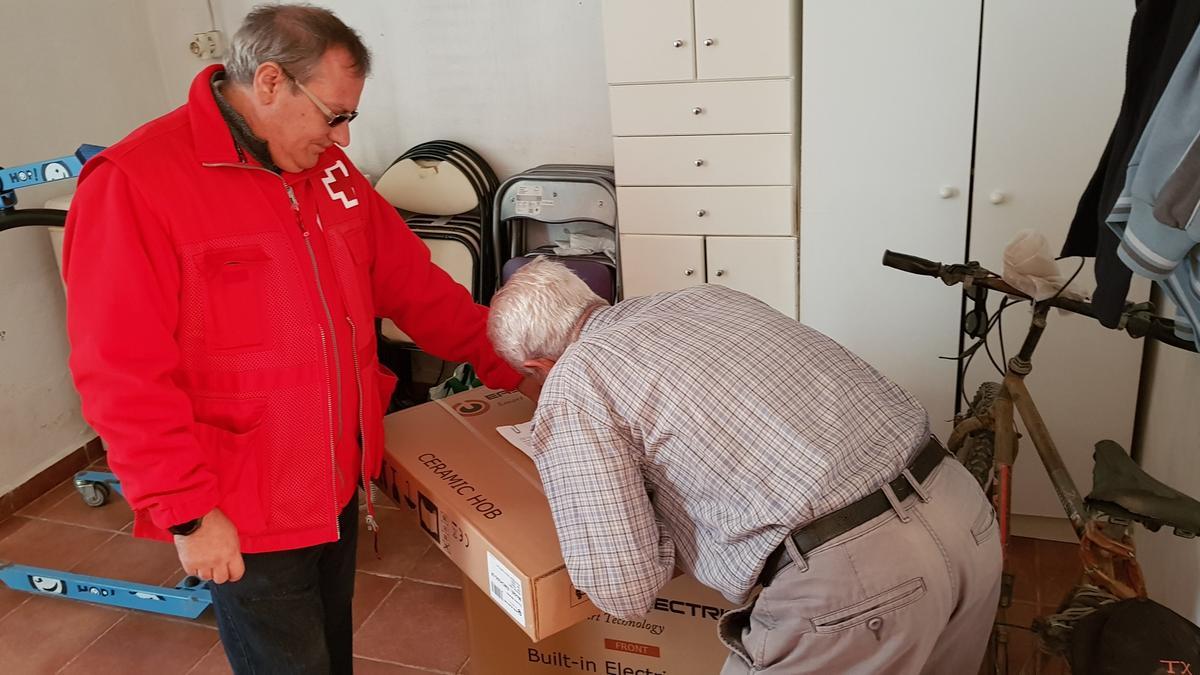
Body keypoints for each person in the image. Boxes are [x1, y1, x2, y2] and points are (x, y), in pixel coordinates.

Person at [62, 5, 530, 673]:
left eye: (350, 119)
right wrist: (188, 514)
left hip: (336, 483)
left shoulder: (329, 176)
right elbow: (118, 372)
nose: (341, 139)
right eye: (334, 115)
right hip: (245, 509)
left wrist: (518, 364)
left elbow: (418, 291)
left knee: (327, 656)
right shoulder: (135, 183)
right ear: (273, 82)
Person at [486, 258, 1003, 674]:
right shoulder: (706, 297)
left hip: (862, 584)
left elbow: (624, 588)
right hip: (962, 508)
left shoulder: (577, 377)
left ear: (539, 368)